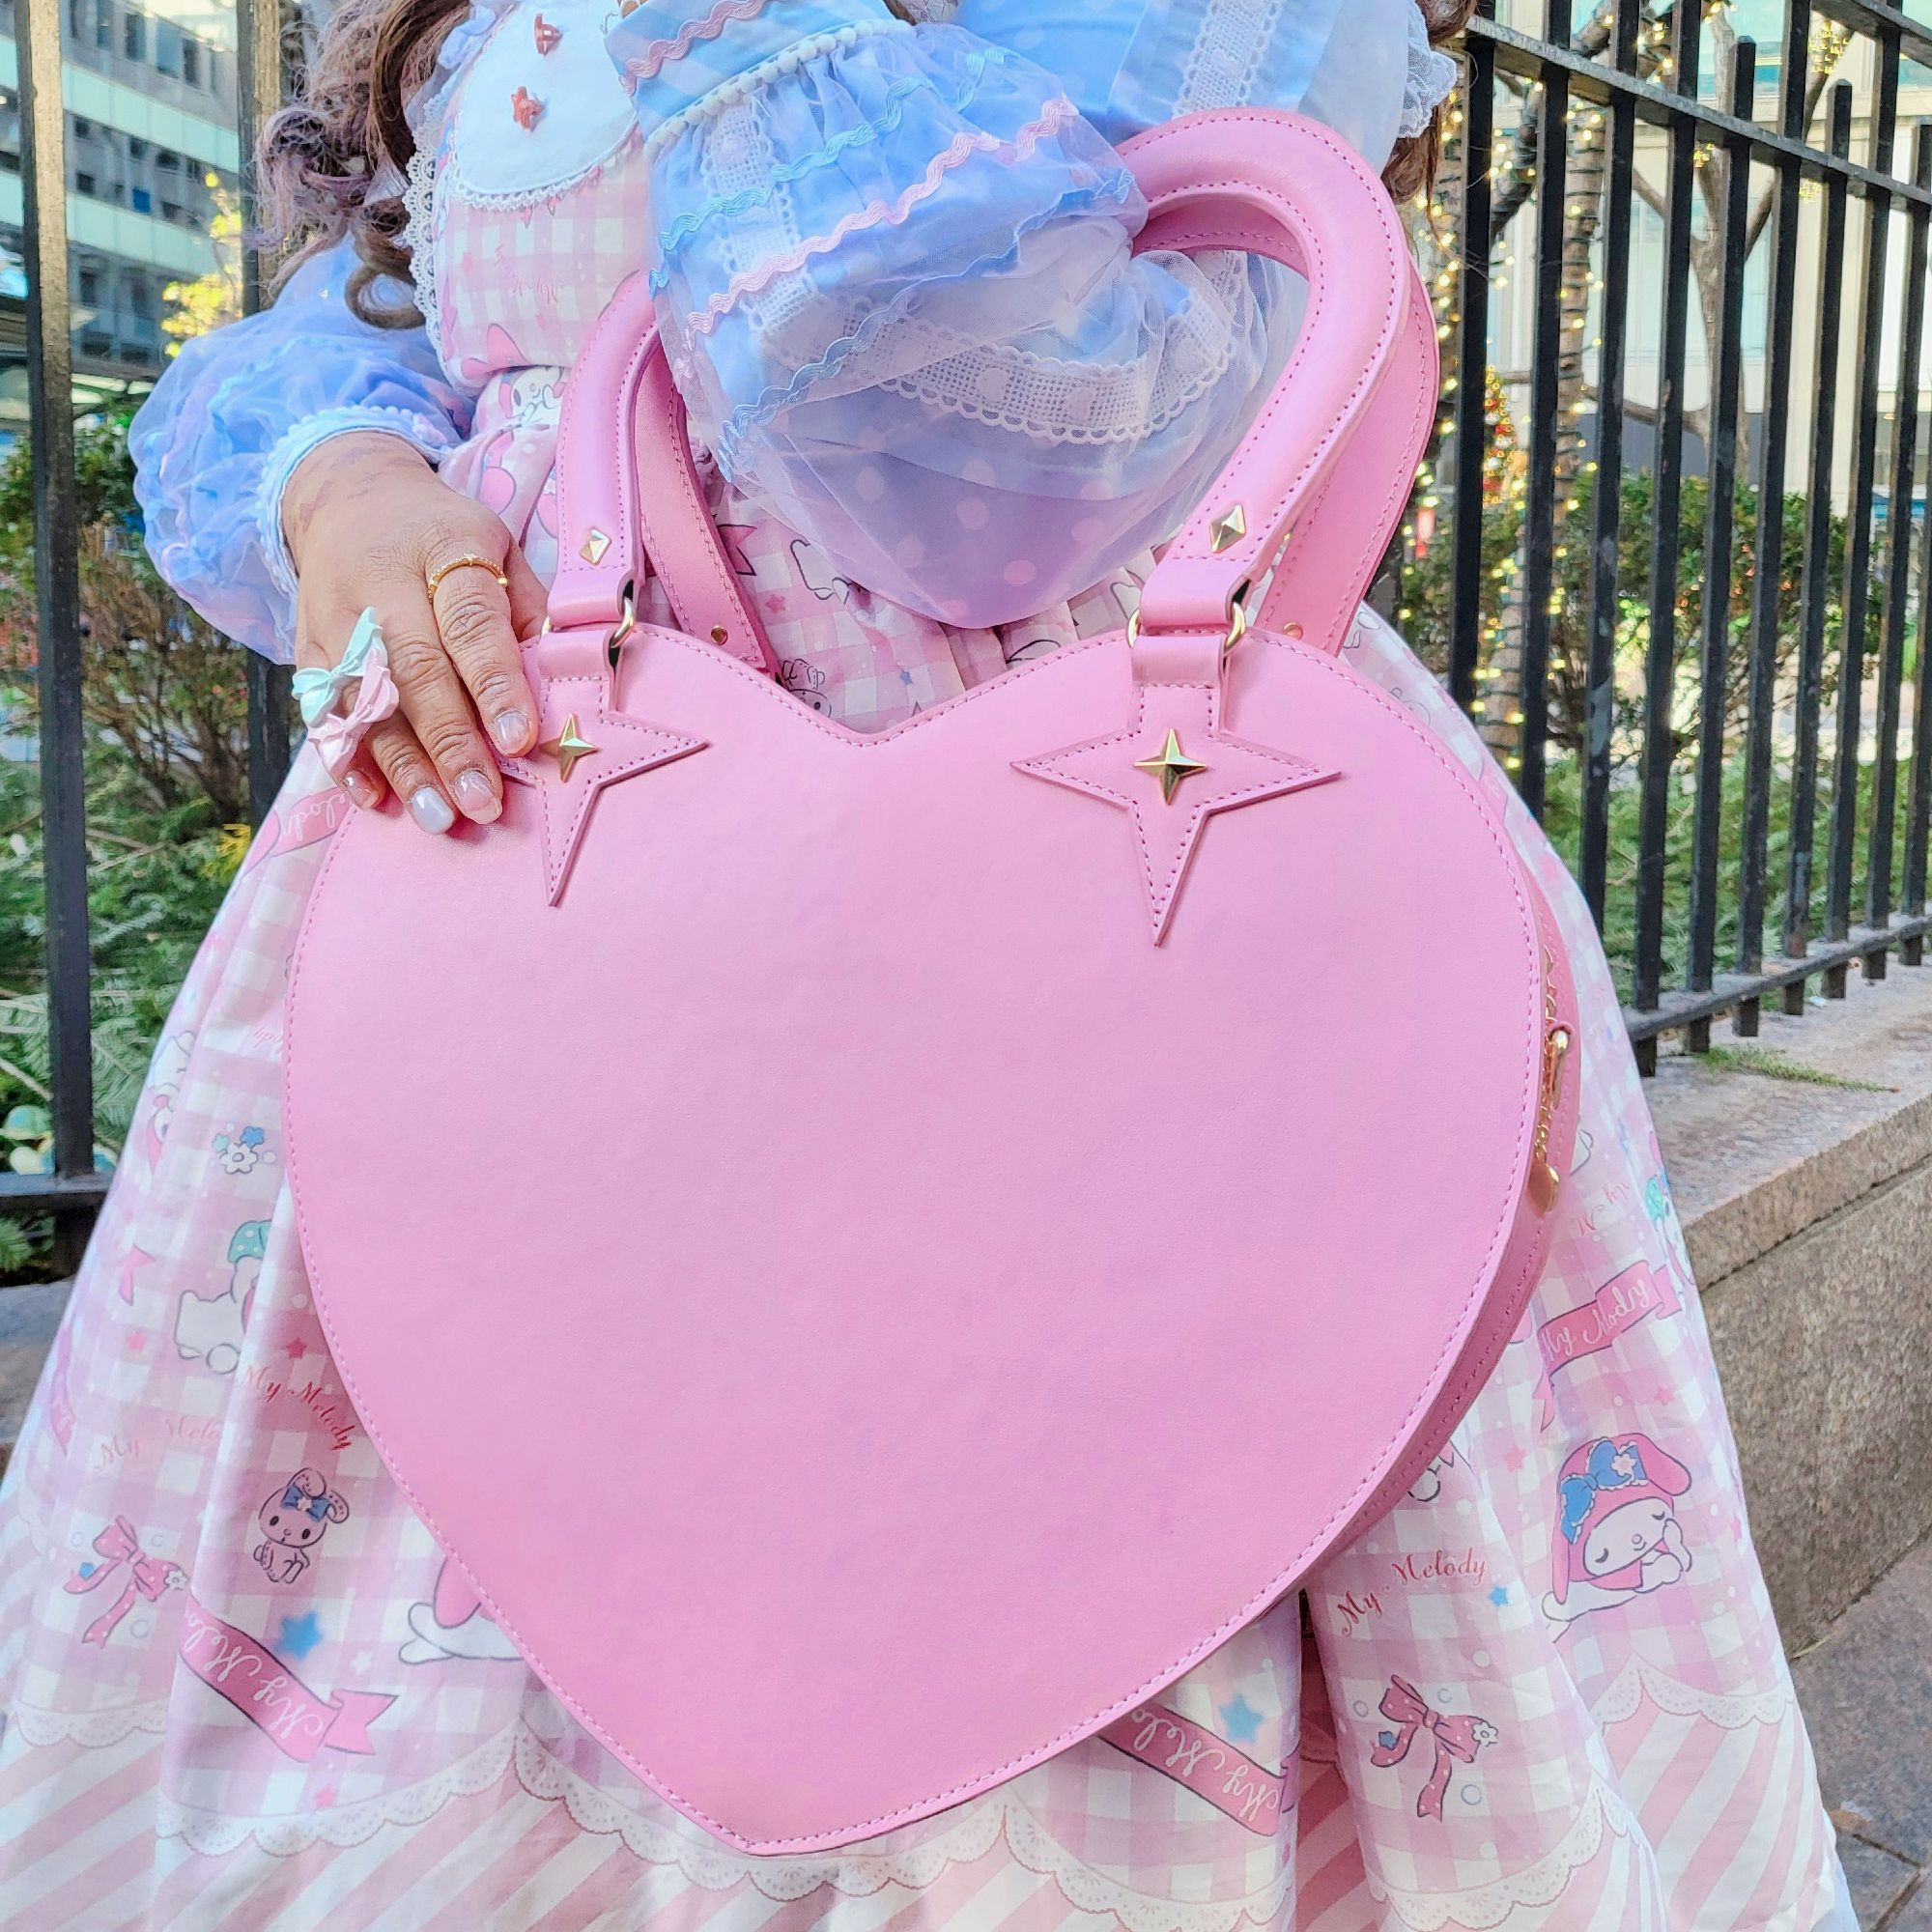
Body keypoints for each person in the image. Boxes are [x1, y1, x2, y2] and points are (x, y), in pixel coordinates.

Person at [0, 3, 1857, 1925]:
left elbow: (985, 467)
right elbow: (364, 329)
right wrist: (350, 478)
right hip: (543, 904)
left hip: (1090, 913)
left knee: (1010, 1499)